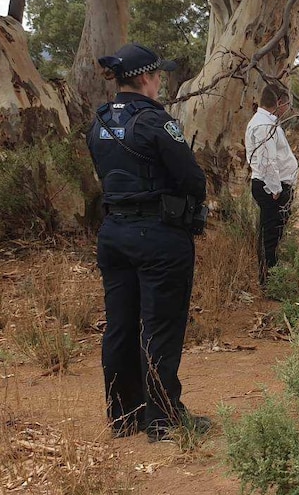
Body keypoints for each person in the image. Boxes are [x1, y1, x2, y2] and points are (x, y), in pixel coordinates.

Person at [86, 43, 210, 443]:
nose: (161, 81)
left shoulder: (100, 122)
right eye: (158, 75)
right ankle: (163, 420)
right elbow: (193, 180)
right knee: (160, 328)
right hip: (158, 236)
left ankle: (124, 416)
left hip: (114, 235)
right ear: (144, 78)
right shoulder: (156, 123)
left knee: (120, 327)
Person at [245, 84, 299, 286]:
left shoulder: (268, 123)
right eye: (286, 103)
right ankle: (268, 280)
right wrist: (276, 189)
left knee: (274, 233)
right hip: (270, 188)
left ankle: (271, 274)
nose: (287, 108)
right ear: (278, 102)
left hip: (274, 187)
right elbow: (267, 160)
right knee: (270, 235)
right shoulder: (263, 125)